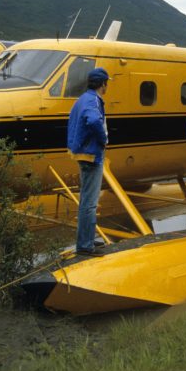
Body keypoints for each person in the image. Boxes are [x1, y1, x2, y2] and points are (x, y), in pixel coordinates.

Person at [67, 67, 110, 256]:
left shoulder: (82, 99)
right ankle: (85, 245)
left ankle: (87, 240)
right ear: (102, 84)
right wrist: (104, 139)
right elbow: (93, 121)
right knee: (90, 203)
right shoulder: (93, 100)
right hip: (91, 155)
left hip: (81, 153)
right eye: (107, 83)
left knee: (85, 199)